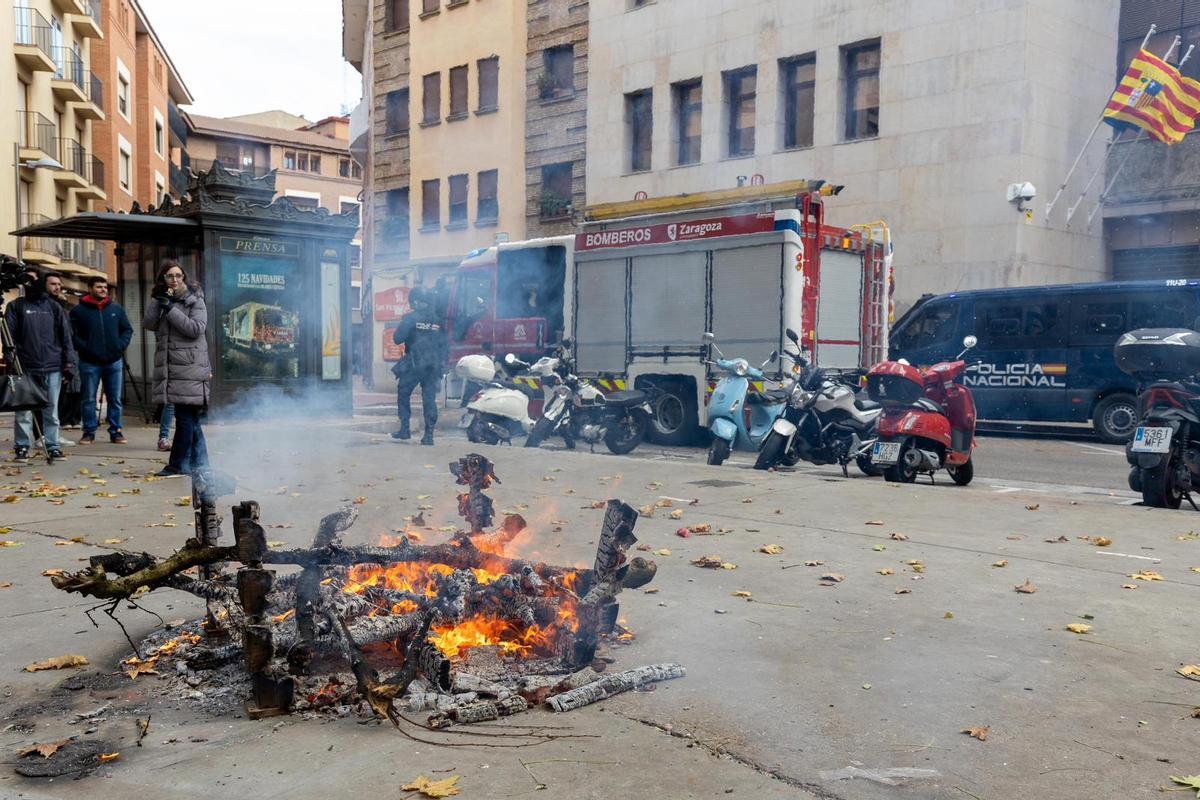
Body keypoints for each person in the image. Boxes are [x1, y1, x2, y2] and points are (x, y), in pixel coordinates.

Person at [143, 260, 210, 477]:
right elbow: (149, 324)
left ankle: (177, 465)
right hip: (174, 369)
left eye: (178, 276)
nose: (174, 280)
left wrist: (171, 309)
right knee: (190, 420)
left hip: (190, 367)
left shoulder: (195, 301)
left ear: (184, 278)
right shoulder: (164, 299)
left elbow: (196, 329)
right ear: (163, 280)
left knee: (185, 418)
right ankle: (201, 464)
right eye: (169, 276)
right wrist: (158, 301)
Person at [5, 270, 76, 461]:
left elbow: (65, 337)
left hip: (52, 367)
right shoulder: (15, 306)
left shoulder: (54, 307)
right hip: (25, 368)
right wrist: (12, 363)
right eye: (26, 279)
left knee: (51, 411)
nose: (29, 283)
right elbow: (8, 338)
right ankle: (22, 447)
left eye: (33, 279)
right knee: (23, 412)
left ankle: (52, 446)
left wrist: (68, 365)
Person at [70, 276, 133, 444]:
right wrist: (87, 348)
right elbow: (73, 336)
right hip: (89, 362)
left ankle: (116, 431)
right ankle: (89, 432)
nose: (103, 290)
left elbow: (127, 329)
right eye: (99, 287)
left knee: (115, 399)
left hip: (114, 361)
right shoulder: (78, 311)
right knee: (89, 398)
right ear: (90, 288)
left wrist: (119, 346)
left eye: (104, 287)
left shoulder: (116, 309)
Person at [391, 286, 448, 446]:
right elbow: (445, 345)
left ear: (415, 301)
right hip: (433, 364)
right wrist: (443, 364)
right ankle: (429, 435)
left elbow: (397, 338)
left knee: (403, 392)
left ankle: (405, 429)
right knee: (429, 398)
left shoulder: (410, 318)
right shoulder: (438, 320)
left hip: (415, 363)